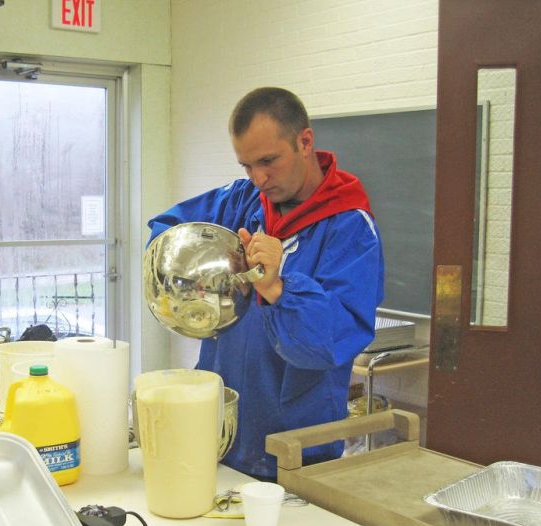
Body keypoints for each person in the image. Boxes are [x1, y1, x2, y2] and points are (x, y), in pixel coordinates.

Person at [147, 87, 384, 480]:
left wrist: (279, 289)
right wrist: (198, 269)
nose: (259, 178)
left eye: (269, 161)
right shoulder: (242, 201)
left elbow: (330, 342)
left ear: (304, 142)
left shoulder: (350, 229)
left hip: (293, 446)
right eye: (247, 165)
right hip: (221, 428)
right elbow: (168, 229)